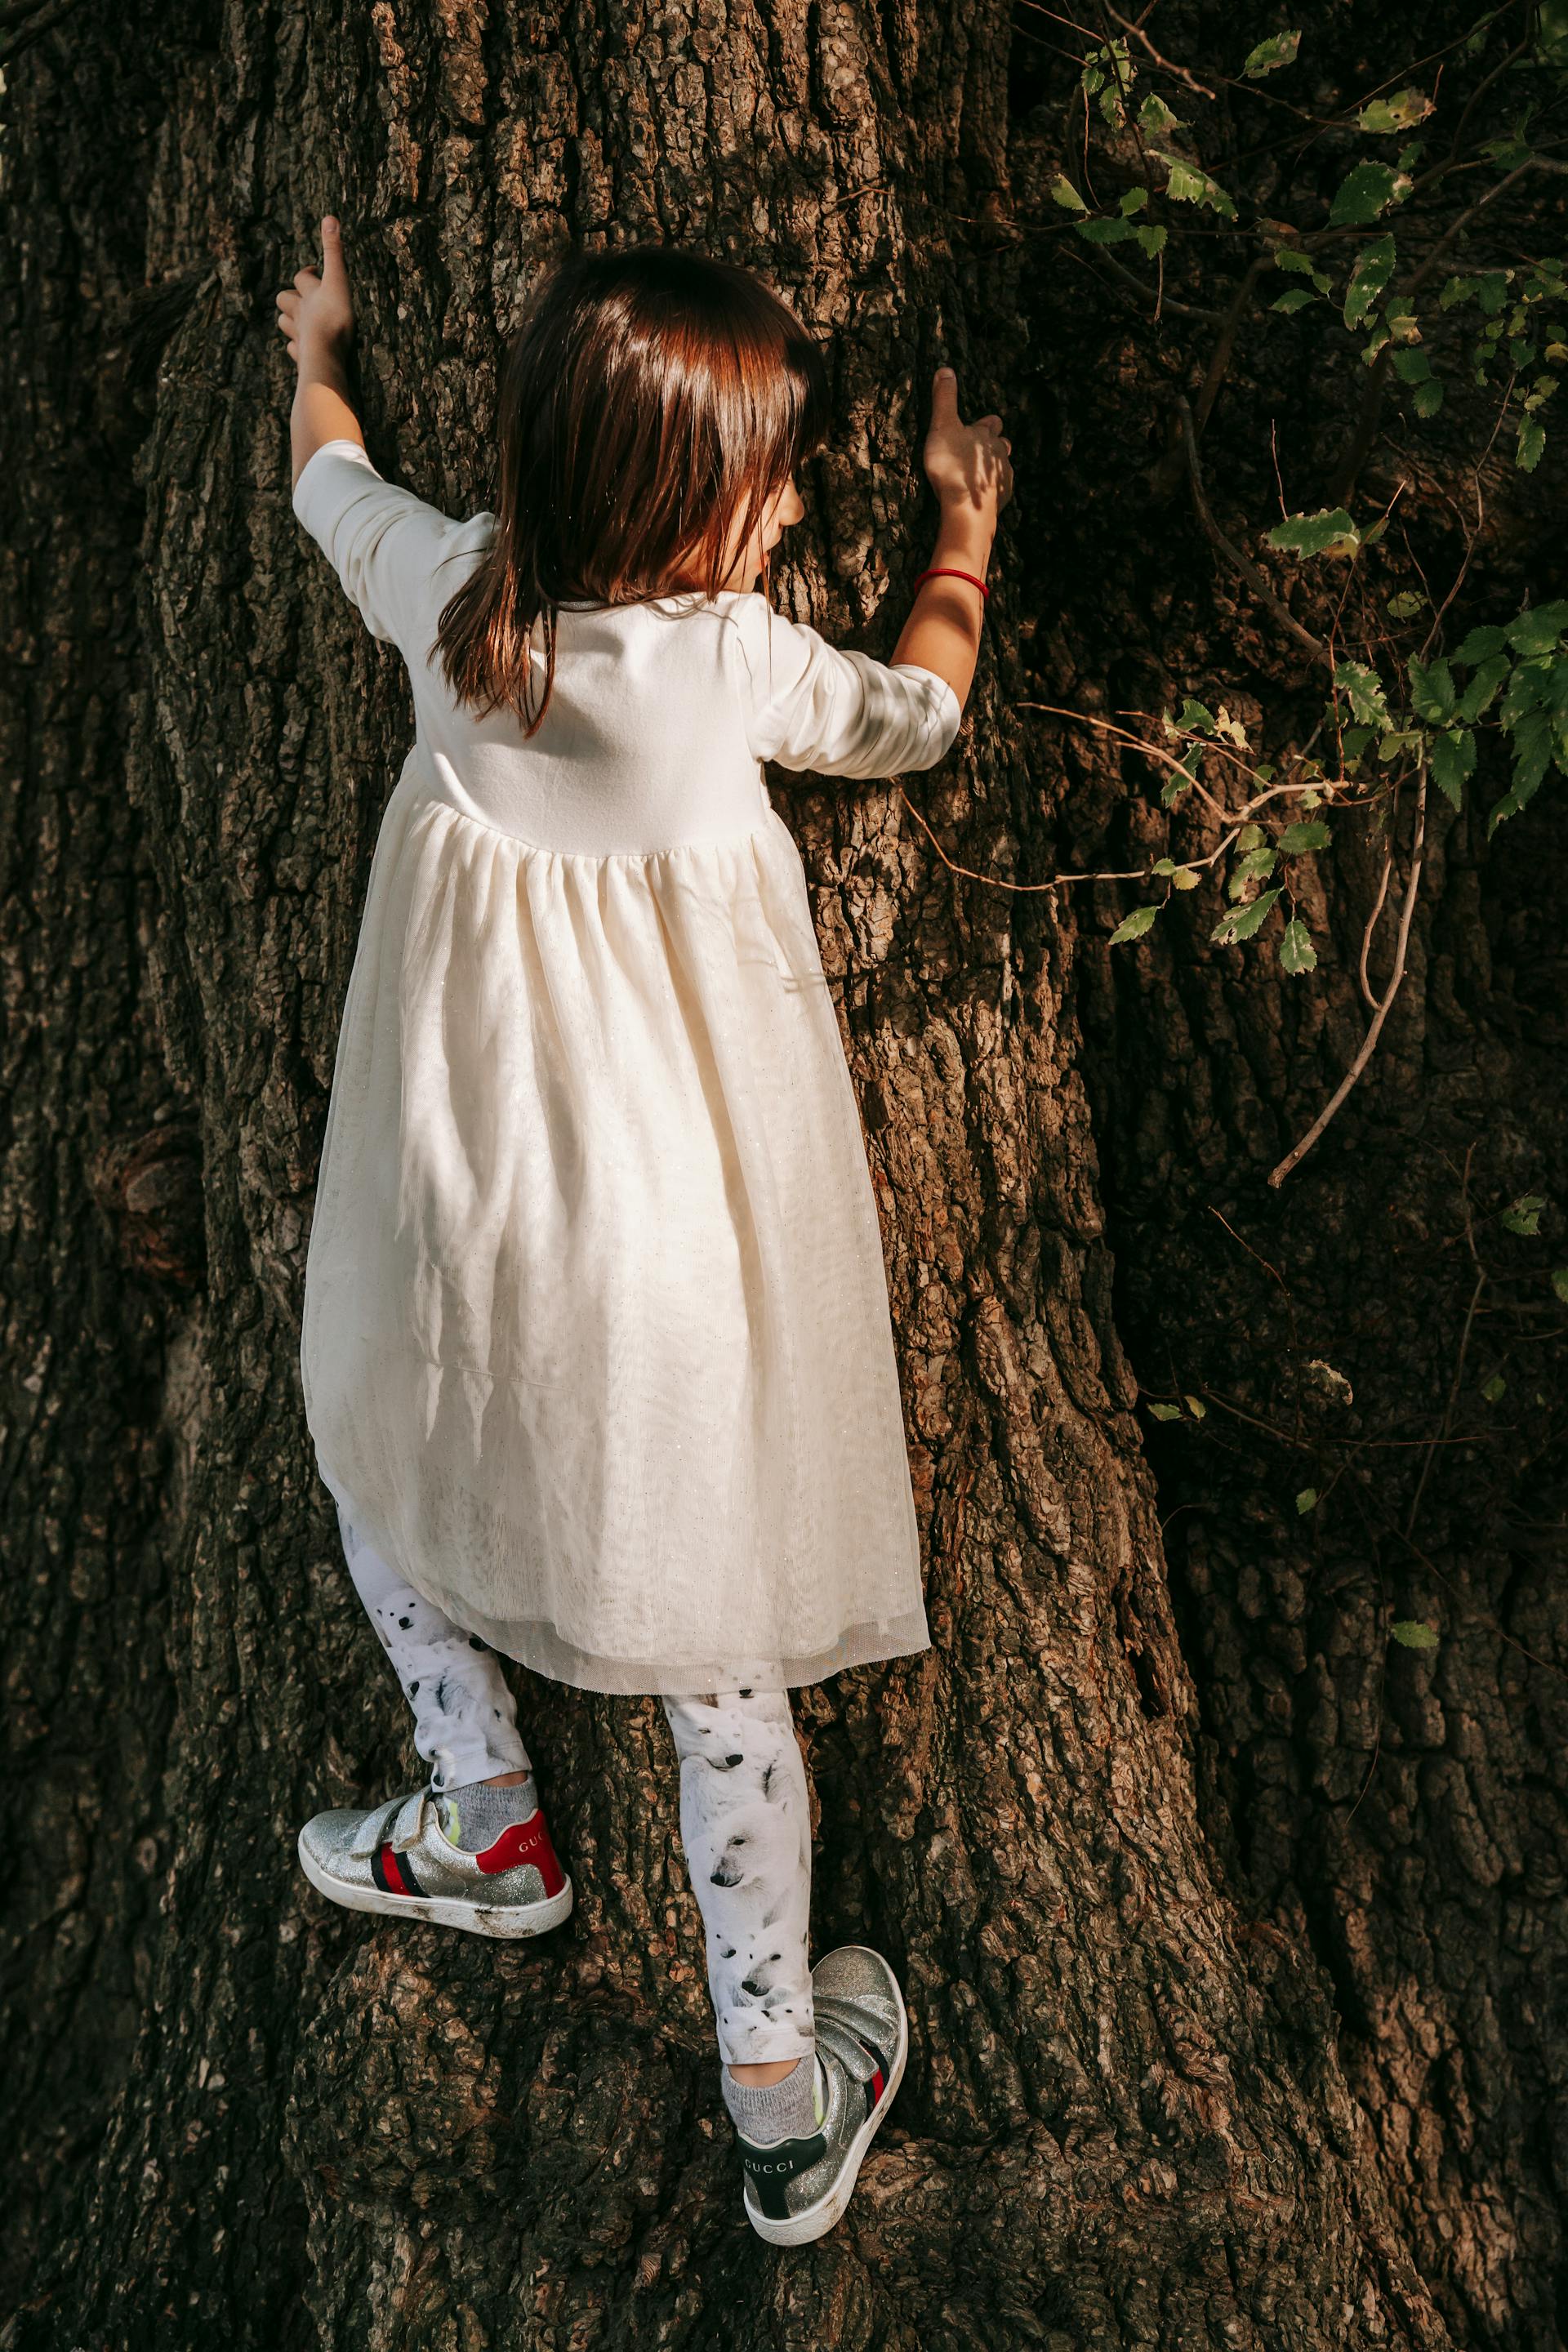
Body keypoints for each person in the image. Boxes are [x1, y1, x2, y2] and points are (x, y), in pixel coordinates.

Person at [274, 217, 1013, 2246]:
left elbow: (323, 469)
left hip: (464, 1213)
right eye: (773, 478)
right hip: (677, 1256)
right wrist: (957, 545)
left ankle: (485, 1808)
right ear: (693, 512)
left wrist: (319, 341)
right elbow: (916, 718)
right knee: (716, 1647)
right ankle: (776, 2100)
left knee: (375, 1448)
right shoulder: (734, 668)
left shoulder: (452, 605)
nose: (799, 502)